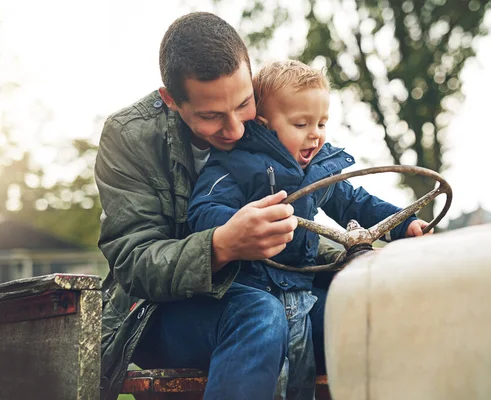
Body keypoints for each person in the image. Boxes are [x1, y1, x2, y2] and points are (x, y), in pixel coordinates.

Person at [95, 12, 343, 400]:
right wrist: (221, 244)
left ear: (250, 76)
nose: (237, 130)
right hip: (163, 311)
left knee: (360, 309)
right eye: (211, 116)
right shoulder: (129, 137)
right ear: (171, 100)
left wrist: (353, 255)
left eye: (243, 105)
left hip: (275, 287)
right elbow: (133, 264)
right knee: (260, 314)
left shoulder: (273, 114)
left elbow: (299, 219)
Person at [187, 60, 432, 398]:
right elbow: (202, 212)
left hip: (301, 292)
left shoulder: (320, 169)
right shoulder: (235, 165)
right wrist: (236, 226)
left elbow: (355, 202)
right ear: (264, 124)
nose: (315, 133)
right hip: (247, 288)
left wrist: (405, 222)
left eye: (321, 122)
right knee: (262, 323)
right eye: (301, 123)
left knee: (362, 315)